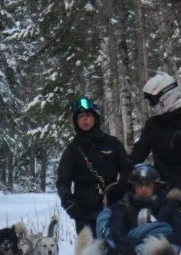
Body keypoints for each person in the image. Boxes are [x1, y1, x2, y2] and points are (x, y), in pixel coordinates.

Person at [130, 73, 181, 237]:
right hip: (159, 191)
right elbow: (139, 152)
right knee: (159, 236)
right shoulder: (153, 124)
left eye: (153, 100)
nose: (151, 105)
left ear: (165, 97)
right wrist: (123, 171)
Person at [56, 96, 132, 236]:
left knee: (117, 246)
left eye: (88, 115)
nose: (85, 119)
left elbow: (127, 168)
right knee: (89, 249)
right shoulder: (72, 150)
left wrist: (122, 189)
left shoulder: (112, 143)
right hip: (84, 211)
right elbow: (63, 180)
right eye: (80, 117)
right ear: (76, 121)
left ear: (95, 118)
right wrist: (69, 203)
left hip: (113, 207)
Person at [108, 164, 181, 251]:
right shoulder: (123, 206)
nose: (143, 189)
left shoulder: (169, 204)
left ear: (155, 186)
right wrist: (142, 244)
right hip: (133, 251)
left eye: (148, 185)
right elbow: (117, 235)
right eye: (139, 185)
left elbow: (180, 233)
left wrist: (157, 243)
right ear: (133, 186)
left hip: (166, 250)